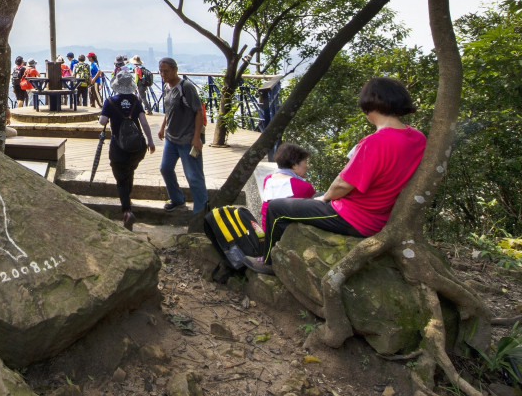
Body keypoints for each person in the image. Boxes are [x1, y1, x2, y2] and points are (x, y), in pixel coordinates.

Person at [244, 77, 426, 275]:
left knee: (275, 208)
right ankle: (290, 247)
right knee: (312, 197)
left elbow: (342, 184)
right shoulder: (417, 137)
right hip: (381, 214)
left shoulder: (375, 142)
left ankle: (269, 263)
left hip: (356, 218)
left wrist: (326, 198)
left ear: (370, 104)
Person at [99, 70, 156, 231]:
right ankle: (128, 203)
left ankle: (127, 211)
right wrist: (150, 141)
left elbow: (102, 121)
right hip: (137, 146)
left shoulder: (110, 101)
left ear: (117, 85)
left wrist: (106, 116)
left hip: (118, 146)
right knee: (129, 171)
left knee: (121, 178)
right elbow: (144, 123)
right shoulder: (136, 100)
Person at [156, 57, 206, 214]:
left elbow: (198, 112)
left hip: (188, 139)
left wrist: (196, 137)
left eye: (166, 71)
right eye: (161, 71)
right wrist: (163, 127)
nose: (163, 74)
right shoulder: (166, 87)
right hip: (171, 138)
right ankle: (177, 199)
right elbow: (169, 110)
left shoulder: (187, 87)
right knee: (165, 168)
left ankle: (201, 210)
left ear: (175, 70)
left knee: (193, 176)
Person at [259, 142, 315, 229]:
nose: (307, 166)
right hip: (286, 235)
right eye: (305, 162)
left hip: (267, 230)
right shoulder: (305, 187)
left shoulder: (268, 179)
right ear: (295, 165)